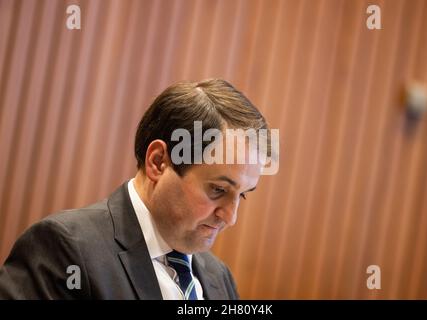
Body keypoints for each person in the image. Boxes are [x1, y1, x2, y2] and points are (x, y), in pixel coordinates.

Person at [0, 79, 273, 299]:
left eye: (244, 194)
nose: (231, 216)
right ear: (159, 162)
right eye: (217, 190)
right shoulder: (64, 250)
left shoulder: (220, 278)